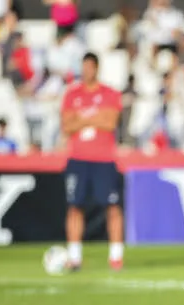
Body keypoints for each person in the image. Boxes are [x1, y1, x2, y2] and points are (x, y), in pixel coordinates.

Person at [60, 52, 124, 271]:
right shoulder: (72, 94)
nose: (87, 71)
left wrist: (82, 118)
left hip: (104, 159)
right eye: (84, 67)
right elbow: (67, 126)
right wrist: (95, 117)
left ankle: (116, 256)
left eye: (90, 67)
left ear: (96, 68)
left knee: (112, 207)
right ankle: (74, 257)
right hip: (78, 158)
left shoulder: (110, 93)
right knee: (74, 207)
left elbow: (110, 122)